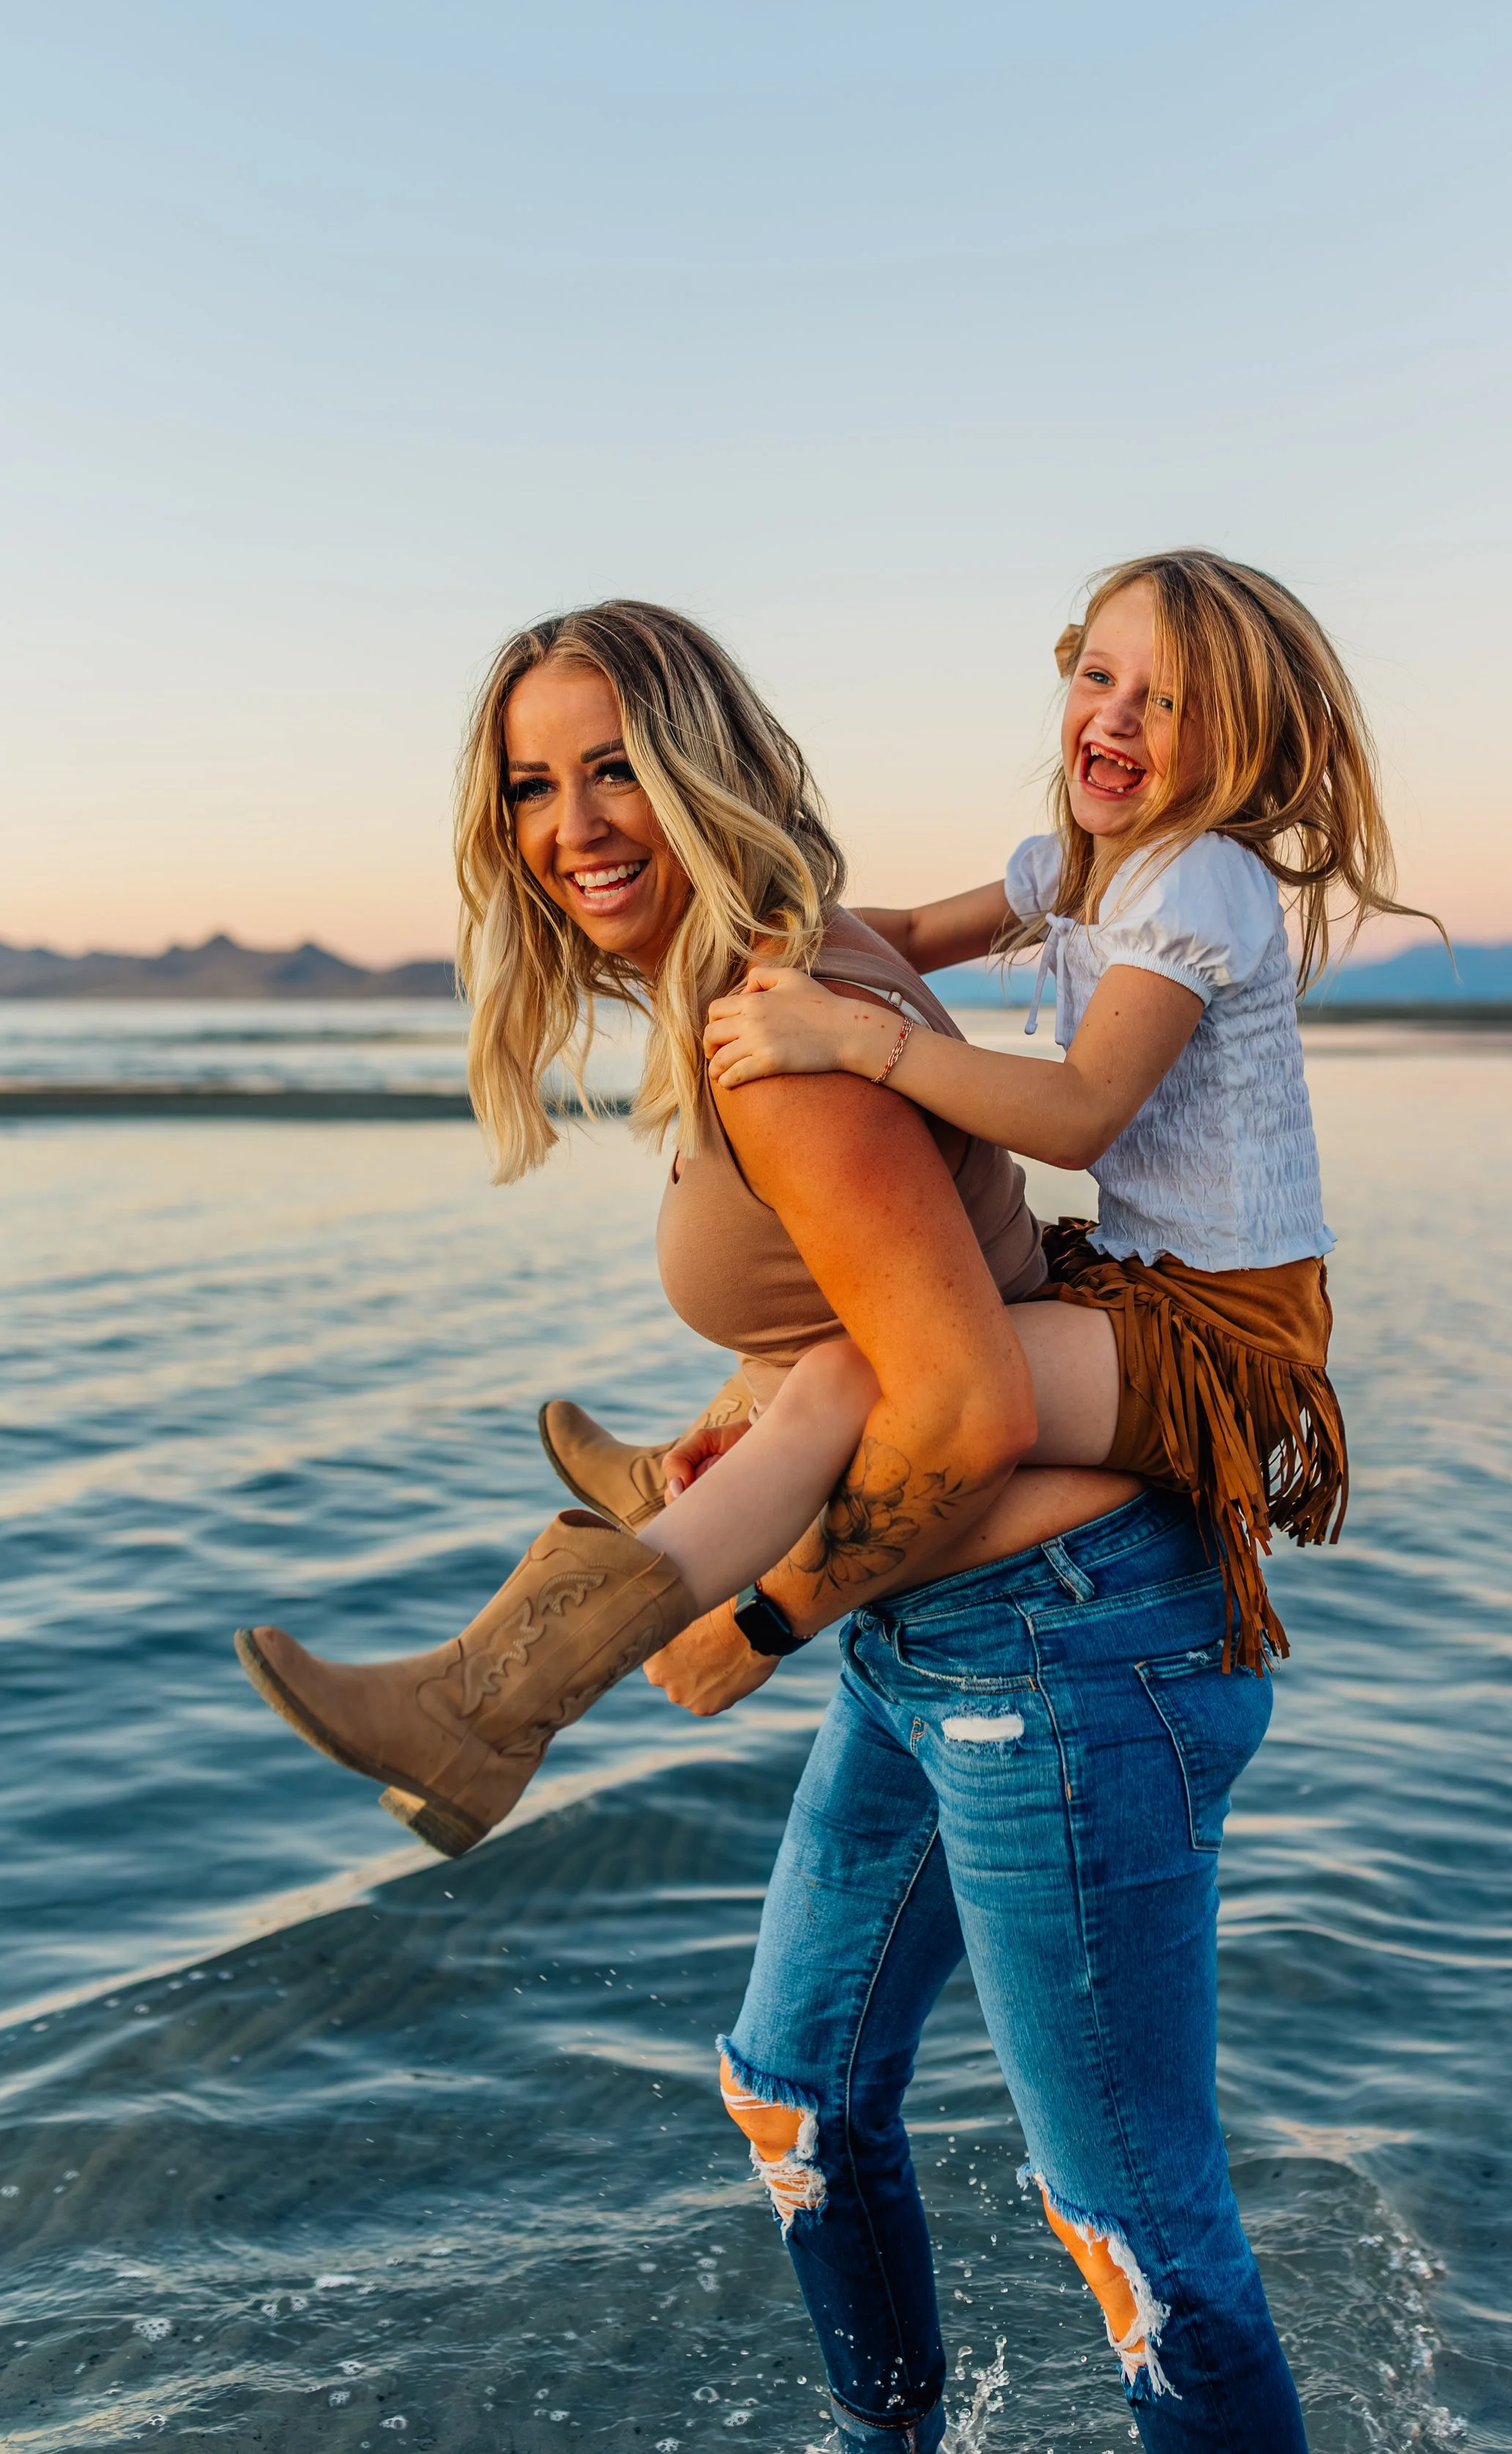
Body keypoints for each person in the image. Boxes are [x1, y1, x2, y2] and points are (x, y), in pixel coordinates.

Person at [230, 572, 1416, 2449]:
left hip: (1072, 1623)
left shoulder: (891, 1003)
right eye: (531, 787)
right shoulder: (833, 954)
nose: (569, 825)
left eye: (614, 769)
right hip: (952, 1620)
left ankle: (527, 1670)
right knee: (792, 2091)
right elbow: (934, 951)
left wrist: (769, 1614)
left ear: (699, 767)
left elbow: (988, 1344)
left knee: (1129, 2224)